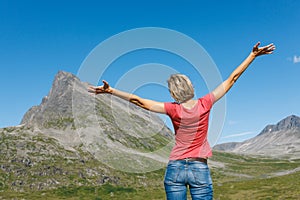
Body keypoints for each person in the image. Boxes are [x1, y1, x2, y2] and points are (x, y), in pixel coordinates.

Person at [88, 42, 275, 200]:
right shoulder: (205, 103)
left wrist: (111, 91)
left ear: (172, 93)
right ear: (191, 86)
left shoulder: (172, 109)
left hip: (175, 167)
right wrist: (252, 56)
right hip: (199, 167)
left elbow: (140, 102)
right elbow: (232, 79)